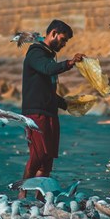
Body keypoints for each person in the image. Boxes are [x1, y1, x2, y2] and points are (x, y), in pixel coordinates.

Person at [19, 19, 86, 201]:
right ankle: (22, 195)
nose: (63, 45)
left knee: (47, 159)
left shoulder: (48, 56)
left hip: (49, 113)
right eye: (63, 40)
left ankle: (41, 201)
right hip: (35, 113)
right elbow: (48, 69)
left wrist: (68, 105)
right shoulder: (35, 53)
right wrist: (70, 63)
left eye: (66, 42)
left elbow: (48, 91)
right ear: (53, 33)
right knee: (37, 155)